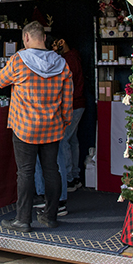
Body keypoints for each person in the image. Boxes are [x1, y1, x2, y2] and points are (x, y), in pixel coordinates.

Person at [0, 21, 73, 232]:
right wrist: (63, 122)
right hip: (52, 127)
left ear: (26, 38)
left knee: (26, 173)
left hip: (25, 127)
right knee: (52, 170)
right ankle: (50, 216)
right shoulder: (62, 64)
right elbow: (68, 100)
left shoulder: (18, 61)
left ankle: (23, 220)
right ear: (44, 38)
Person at [33, 35, 85, 217]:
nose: (54, 49)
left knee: (60, 150)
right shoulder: (74, 57)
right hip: (77, 105)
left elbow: (66, 89)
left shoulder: (64, 62)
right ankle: (73, 178)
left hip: (68, 108)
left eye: (56, 45)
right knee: (72, 143)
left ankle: (61, 190)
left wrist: (64, 114)